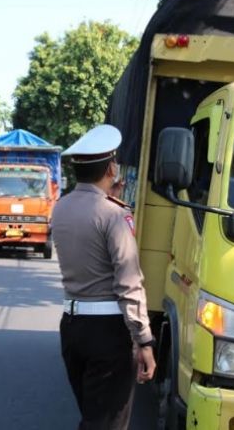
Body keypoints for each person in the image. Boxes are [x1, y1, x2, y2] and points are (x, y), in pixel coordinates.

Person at [51, 124, 156, 430]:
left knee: (93, 416)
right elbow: (129, 283)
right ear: (112, 168)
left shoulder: (61, 209)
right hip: (108, 333)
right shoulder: (115, 215)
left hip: (72, 327)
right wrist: (144, 340)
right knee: (106, 423)